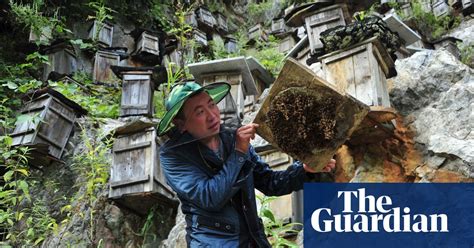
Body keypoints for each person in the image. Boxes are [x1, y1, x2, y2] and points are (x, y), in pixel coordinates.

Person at [158, 82, 336, 247]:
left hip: (253, 240)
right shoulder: (173, 156)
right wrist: (238, 153)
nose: (212, 115)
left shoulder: (230, 139)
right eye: (199, 112)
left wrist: (304, 170)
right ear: (181, 125)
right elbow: (210, 197)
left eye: (211, 105)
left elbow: (269, 182)